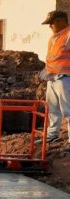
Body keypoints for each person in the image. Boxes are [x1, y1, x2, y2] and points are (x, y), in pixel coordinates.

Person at [40, 10, 70, 150]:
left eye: (51, 23)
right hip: (52, 78)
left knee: (68, 110)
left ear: (61, 21)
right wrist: (47, 70)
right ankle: (52, 135)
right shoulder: (53, 38)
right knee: (52, 109)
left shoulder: (68, 34)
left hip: (65, 78)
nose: (50, 26)